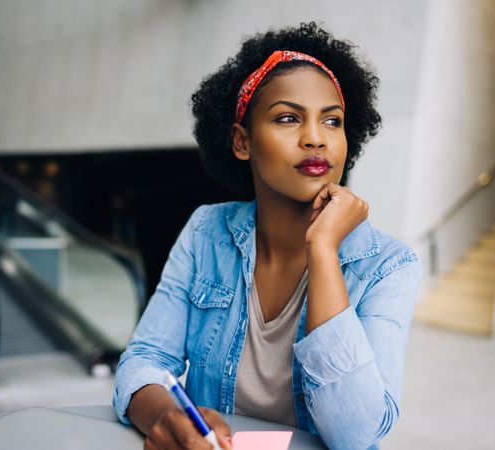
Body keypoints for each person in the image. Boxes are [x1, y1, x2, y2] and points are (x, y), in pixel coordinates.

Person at [113, 22, 421, 450]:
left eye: (332, 121)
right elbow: (144, 361)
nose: (316, 138)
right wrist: (167, 418)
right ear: (242, 141)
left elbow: (356, 435)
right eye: (288, 118)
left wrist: (324, 251)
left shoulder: (388, 264)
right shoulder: (206, 232)